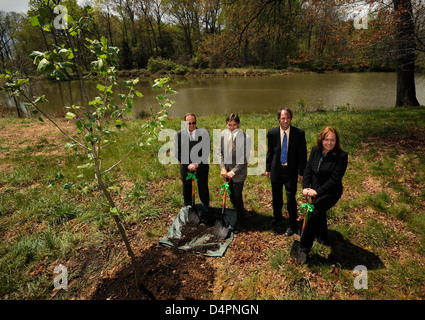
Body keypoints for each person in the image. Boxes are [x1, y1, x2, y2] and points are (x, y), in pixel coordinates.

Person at [296, 126, 348, 264]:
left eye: (332, 140)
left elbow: (334, 180)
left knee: (314, 213)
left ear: (336, 141)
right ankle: (323, 236)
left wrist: (317, 192)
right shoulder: (315, 150)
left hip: (330, 192)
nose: (329, 143)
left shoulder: (341, 156)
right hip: (314, 190)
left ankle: (304, 248)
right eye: (326, 139)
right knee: (319, 212)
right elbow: (308, 169)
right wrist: (306, 186)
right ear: (322, 139)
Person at [266, 107, 307, 236]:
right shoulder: (272, 133)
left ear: (291, 118)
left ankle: (292, 224)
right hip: (276, 170)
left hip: (291, 171)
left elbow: (302, 154)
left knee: (290, 198)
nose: (285, 120)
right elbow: (270, 152)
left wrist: (302, 172)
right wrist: (268, 169)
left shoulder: (298, 133)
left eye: (288, 117)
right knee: (276, 195)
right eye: (283, 118)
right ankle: (277, 216)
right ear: (279, 119)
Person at [217, 113, 251, 226]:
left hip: (238, 173)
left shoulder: (246, 138)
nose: (231, 128)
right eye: (229, 125)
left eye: (234, 125)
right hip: (226, 172)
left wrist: (233, 171)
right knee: (231, 194)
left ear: (239, 124)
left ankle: (240, 220)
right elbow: (219, 152)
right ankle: (234, 211)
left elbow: (244, 159)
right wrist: (222, 168)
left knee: (237, 196)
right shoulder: (223, 134)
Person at [174, 113, 210, 208]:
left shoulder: (204, 133)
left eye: (193, 123)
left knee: (203, 187)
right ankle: (188, 208)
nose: (191, 125)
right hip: (186, 167)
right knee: (186, 189)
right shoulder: (179, 135)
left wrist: (197, 163)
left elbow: (206, 151)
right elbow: (177, 153)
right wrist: (188, 164)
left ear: (196, 122)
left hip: (201, 166)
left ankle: (205, 207)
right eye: (189, 123)